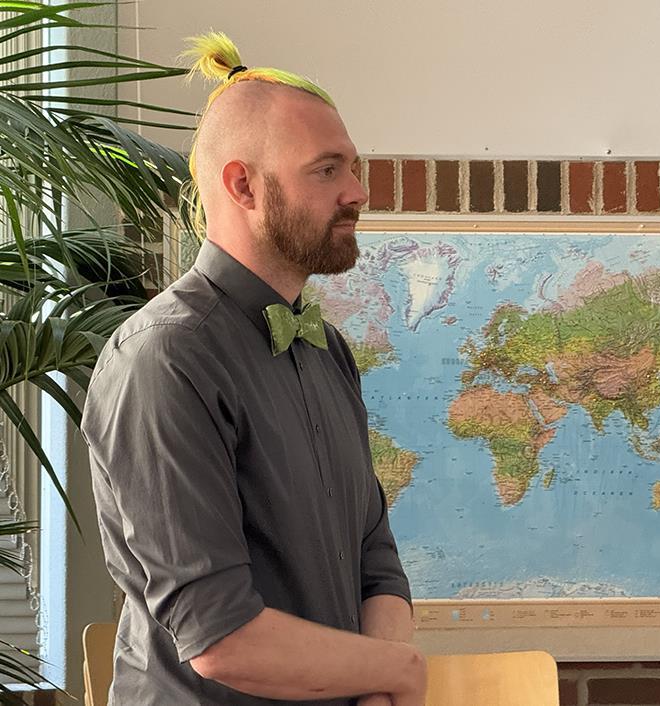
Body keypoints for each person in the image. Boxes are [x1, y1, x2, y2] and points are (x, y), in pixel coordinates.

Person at [81, 32, 427, 706]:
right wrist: (397, 673)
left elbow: (375, 563)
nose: (357, 191)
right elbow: (221, 637)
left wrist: (377, 685)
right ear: (242, 184)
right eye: (326, 169)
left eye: (352, 167)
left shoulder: (326, 347)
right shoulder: (164, 359)